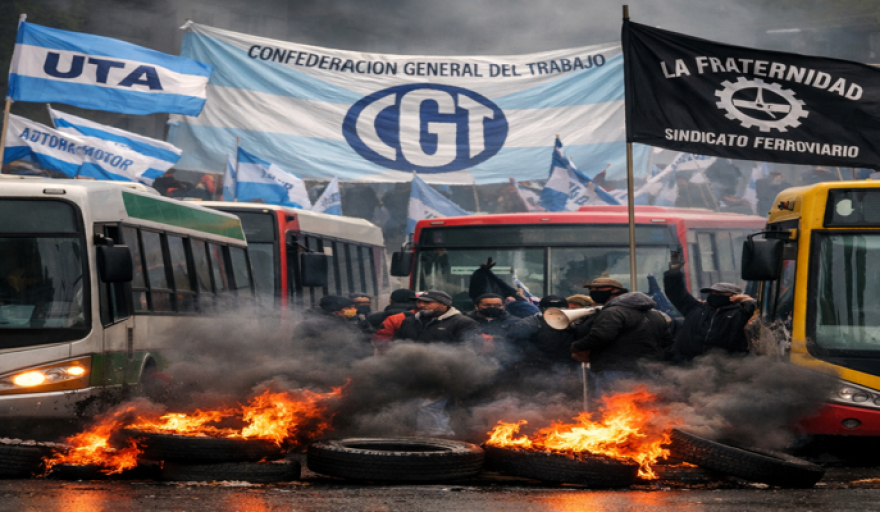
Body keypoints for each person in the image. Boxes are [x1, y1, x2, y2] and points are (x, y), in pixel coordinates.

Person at [570, 291, 673, 405]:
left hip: (614, 367)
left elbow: (601, 336)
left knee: (613, 404)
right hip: (648, 368)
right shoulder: (657, 316)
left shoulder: (612, 312)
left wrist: (577, 346)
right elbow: (666, 341)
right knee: (645, 404)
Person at [663, 251, 756, 362]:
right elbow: (676, 292)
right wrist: (673, 273)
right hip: (687, 364)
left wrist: (745, 299)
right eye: (712, 293)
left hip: (725, 366)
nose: (714, 295)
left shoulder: (741, 313)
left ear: (735, 296)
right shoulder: (695, 309)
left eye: (720, 293)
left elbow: (755, 309)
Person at [508, 295, 579, 372]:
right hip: (536, 369)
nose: (555, 313)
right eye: (550, 310)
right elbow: (519, 349)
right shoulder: (527, 325)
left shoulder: (574, 325)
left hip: (565, 368)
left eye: (560, 309)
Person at [393, 290, 477, 343]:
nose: (421, 305)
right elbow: (397, 343)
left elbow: (466, 350)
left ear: (444, 304)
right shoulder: (409, 321)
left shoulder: (463, 323)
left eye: (427, 302)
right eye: (419, 302)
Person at [293, 295, 364, 343]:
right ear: (337, 310)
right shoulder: (313, 325)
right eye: (350, 308)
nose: (354, 310)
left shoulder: (348, 323)